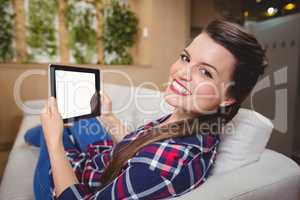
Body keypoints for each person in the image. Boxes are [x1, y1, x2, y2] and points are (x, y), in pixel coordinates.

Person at [30, 19, 268, 199]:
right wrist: (109, 117)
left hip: (69, 183)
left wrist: (54, 143)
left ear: (229, 97)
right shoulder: (189, 123)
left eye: (205, 72)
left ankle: (43, 136)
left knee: (54, 131)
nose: (181, 72)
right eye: (186, 58)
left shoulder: (164, 166)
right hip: (101, 160)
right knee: (82, 120)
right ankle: (49, 132)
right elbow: (140, 147)